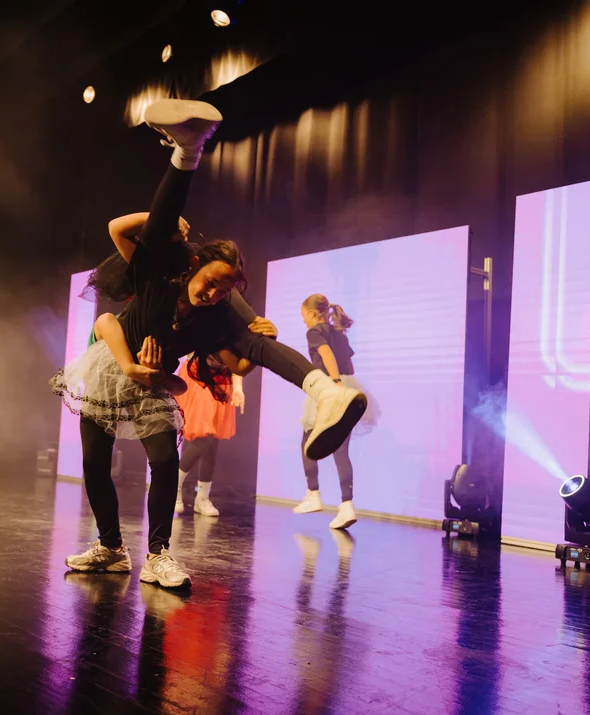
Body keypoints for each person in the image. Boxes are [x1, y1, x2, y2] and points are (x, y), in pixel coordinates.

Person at [51, 98, 366, 589]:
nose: (214, 293)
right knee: (95, 462)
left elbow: (239, 364)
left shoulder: (209, 320)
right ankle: (110, 547)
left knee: (165, 461)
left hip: (154, 383)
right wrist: (130, 367)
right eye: (211, 282)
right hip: (109, 370)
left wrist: (253, 339)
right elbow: (111, 309)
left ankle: (158, 555)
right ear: (194, 267)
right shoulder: (158, 277)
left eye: (225, 290)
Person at [294, 294, 379, 528]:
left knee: (307, 441)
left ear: (312, 314)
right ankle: (347, 505)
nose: (303, 321)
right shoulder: (339, 333)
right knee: (341, 450)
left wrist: (335, 383)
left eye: (303, 315)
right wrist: (346, 384)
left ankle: (313, 494)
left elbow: (326, 354)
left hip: (330, 386)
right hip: (348, 385)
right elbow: (349, 365)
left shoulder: (315, 332)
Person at [173, 355, 243, 516]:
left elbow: (239, 358)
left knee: (212, 441)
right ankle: (172, 486)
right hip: (199, 374)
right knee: (204, 438)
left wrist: (238, 387)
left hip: (221, 379)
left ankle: (202, 498)